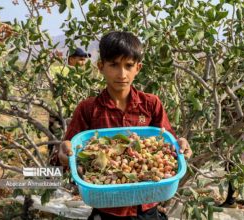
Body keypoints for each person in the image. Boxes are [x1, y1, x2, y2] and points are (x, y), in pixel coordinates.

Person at [50, 31, 192, 220]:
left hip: (146, 207)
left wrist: (181, 146)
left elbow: (169, 146)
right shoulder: (88, 109)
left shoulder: (151, 104)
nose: (122, 74)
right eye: (114, 65)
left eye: (129, 65)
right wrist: (63, 155)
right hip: (107, 208)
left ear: (138, 68)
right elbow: (66, 154)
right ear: (101, 67)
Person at [48, 47, 91, 156]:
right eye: (81, 59)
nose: (83, 62)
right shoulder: (59, 70)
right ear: (71, 59)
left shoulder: (82, 76)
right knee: (56, 144)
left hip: (74, 114)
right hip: (58, 113)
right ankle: (53, 168)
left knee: (70, 143)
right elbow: (47, 72)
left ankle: (65, 168)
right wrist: (52, 59)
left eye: (84, 60)